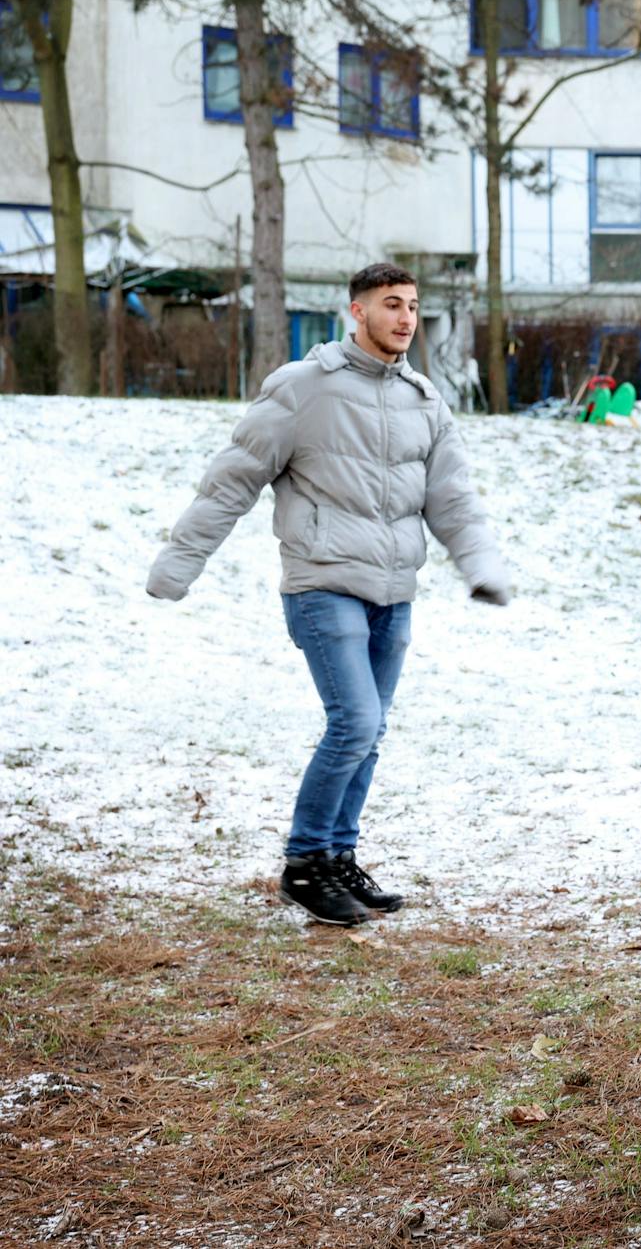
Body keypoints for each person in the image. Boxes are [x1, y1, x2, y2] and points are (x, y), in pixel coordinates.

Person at [147, 263, 511, 927]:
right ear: (357, 312)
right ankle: (305, 862)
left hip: (394, 590)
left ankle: (339, 857)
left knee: (369, 734)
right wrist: (180, 562)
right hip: (322, 584)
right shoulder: (302, 388)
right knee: (356, 722)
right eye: (390, 305)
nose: (405, 318)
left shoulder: (424, 399)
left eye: (411, 306)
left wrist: (480, 565)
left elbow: (453, 498)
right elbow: (232, 479)